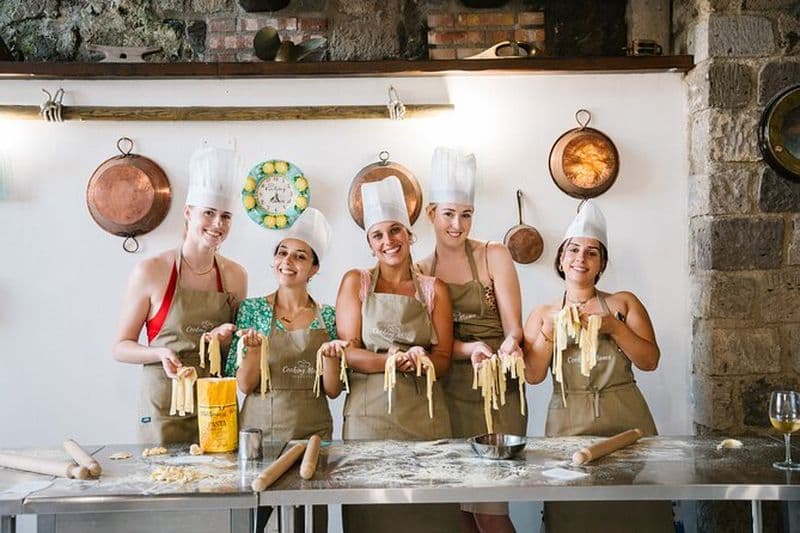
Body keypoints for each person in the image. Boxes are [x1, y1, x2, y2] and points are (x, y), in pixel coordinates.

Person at [521, 200, 672, 532]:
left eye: (592, 252)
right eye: (574, 250)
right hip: (568, 426)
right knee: (575, 515)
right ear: (561, 259)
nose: (581, 258)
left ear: (601, 263)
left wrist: (614, 327)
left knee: (639, 511)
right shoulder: (542, 315)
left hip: (627, 423)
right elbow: (532, 375)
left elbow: (650, 361)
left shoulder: (623, 303)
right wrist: (550, 332)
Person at [335, 175, 460, 532]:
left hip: (424, 417)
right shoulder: (356, 282)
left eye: (395, 231)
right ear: (370, 243)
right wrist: (390, 361)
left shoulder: (434, 289)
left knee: (428, 517)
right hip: (368, 419)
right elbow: (349, 352)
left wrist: (420, 362)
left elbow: (443, 359)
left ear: (409, 234)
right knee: (371, 517)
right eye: (378, 235)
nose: (388, 241)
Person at [417, 147, 526, 533]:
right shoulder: (421, 270)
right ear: (431, 213)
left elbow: (514, 328)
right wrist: (468, 349)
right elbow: (432, 342)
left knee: (490, 512)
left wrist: (509, 345)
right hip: (448, 391)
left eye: (466, 215)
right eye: (449, 214)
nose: (457, 224)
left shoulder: (493, 255)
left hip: (496, 393)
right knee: (459, 511)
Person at [112, 146, 247, 445]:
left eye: (226, 216)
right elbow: (121, 347)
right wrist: (159, 353)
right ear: (188, 213)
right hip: (164, 404)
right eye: (208, 213)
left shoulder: (236, 276)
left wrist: (225, 339)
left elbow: (234, 353)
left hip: (216, 405)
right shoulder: (152, 270)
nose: (218, 224)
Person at [228, 207, 340, 533]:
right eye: (282, 252)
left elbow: (332, 390)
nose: (288, 261)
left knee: (310, 523)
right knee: (256, 520)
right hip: (260, 435)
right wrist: (252, 350)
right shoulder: (252, 310)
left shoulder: (328, 317)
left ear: (314, 268)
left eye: (300, 256)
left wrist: (331, 356)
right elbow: (245, 385)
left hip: (312, 437)